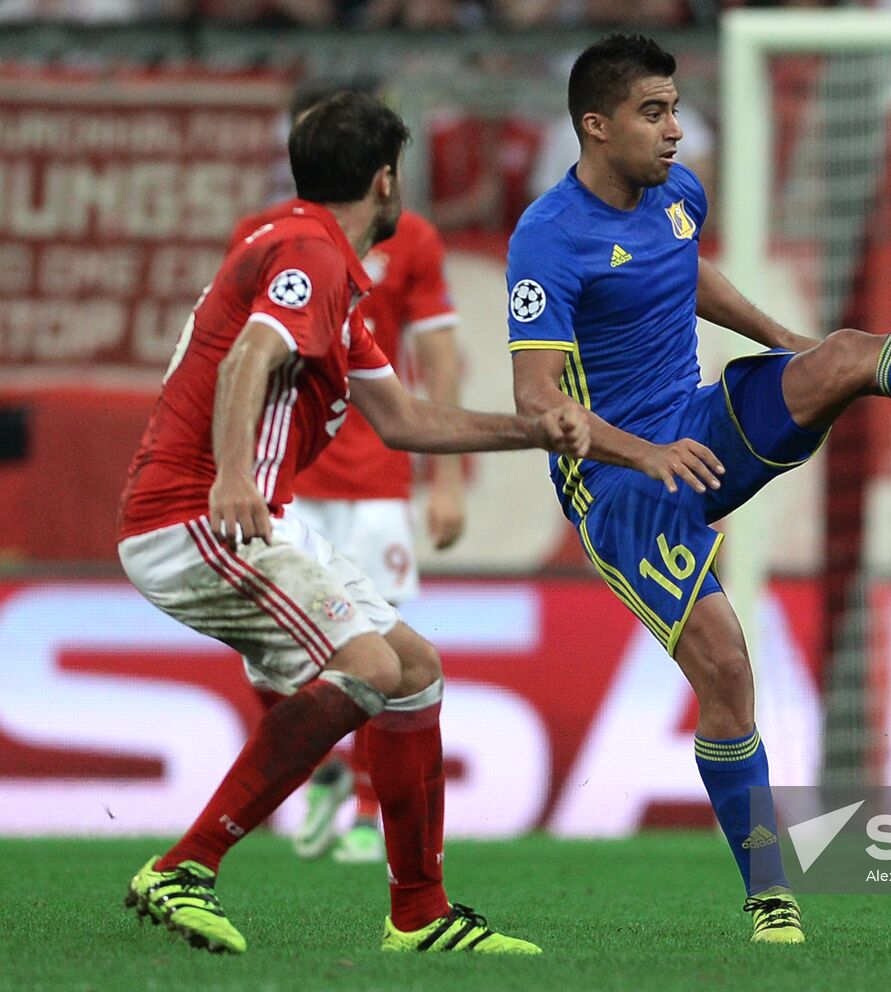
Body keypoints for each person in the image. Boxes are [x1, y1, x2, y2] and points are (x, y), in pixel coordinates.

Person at [507, 33, 891, 943]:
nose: (675, 131)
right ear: (594, 125)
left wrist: (786, 338)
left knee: (846, 356)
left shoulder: (678, 194)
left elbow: (683, 270)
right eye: (652, 114)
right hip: (617, 487)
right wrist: (641, 456)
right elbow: (537, 399)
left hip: (697, 422)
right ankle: (770, 894)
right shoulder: (547, 240)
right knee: (727, 670)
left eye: (675, 110)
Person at [118, 91, 588, 956]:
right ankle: (187, 865)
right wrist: (230, 477)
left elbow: (404, 418)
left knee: (411, 669)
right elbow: (252, 358)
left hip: (237, 513)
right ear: (385, 180)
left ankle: (421, 913)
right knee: (369, 663)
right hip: (198, 516)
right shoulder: (309, 251)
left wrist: (533, 430)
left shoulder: (326, 268)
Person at [231, 93, 468, 867]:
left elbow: (437, 353)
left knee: (387, 652)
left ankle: (369, 810)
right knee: (264, 654)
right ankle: (329, 772)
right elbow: (233, 361)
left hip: (375, 482)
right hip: (285, 481)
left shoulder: (414, 241)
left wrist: (448, 480)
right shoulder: (264, 240)